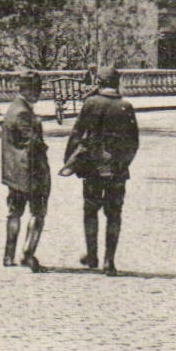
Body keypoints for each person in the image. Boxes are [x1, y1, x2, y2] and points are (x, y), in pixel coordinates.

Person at [60, 66, 140, 275]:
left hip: (93, 169)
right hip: (117, 170)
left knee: (91, 211)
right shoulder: (126, 107)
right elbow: (133, 142)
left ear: (99, 82)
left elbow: (77, 133)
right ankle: (109, 261)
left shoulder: (92, 104)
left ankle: (92, 255)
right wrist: (122, 164)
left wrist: (69, 160)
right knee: (114, 214)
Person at [0, 69, 50, 272]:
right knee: (37, 213)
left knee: (14, 213)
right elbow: (32, 143)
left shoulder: (14, 108)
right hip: (30, 172)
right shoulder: (22, 112)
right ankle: (28, 255)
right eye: (35, 90)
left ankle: (8, 255)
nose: (38, 93)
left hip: (15, 173)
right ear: (26, 89)